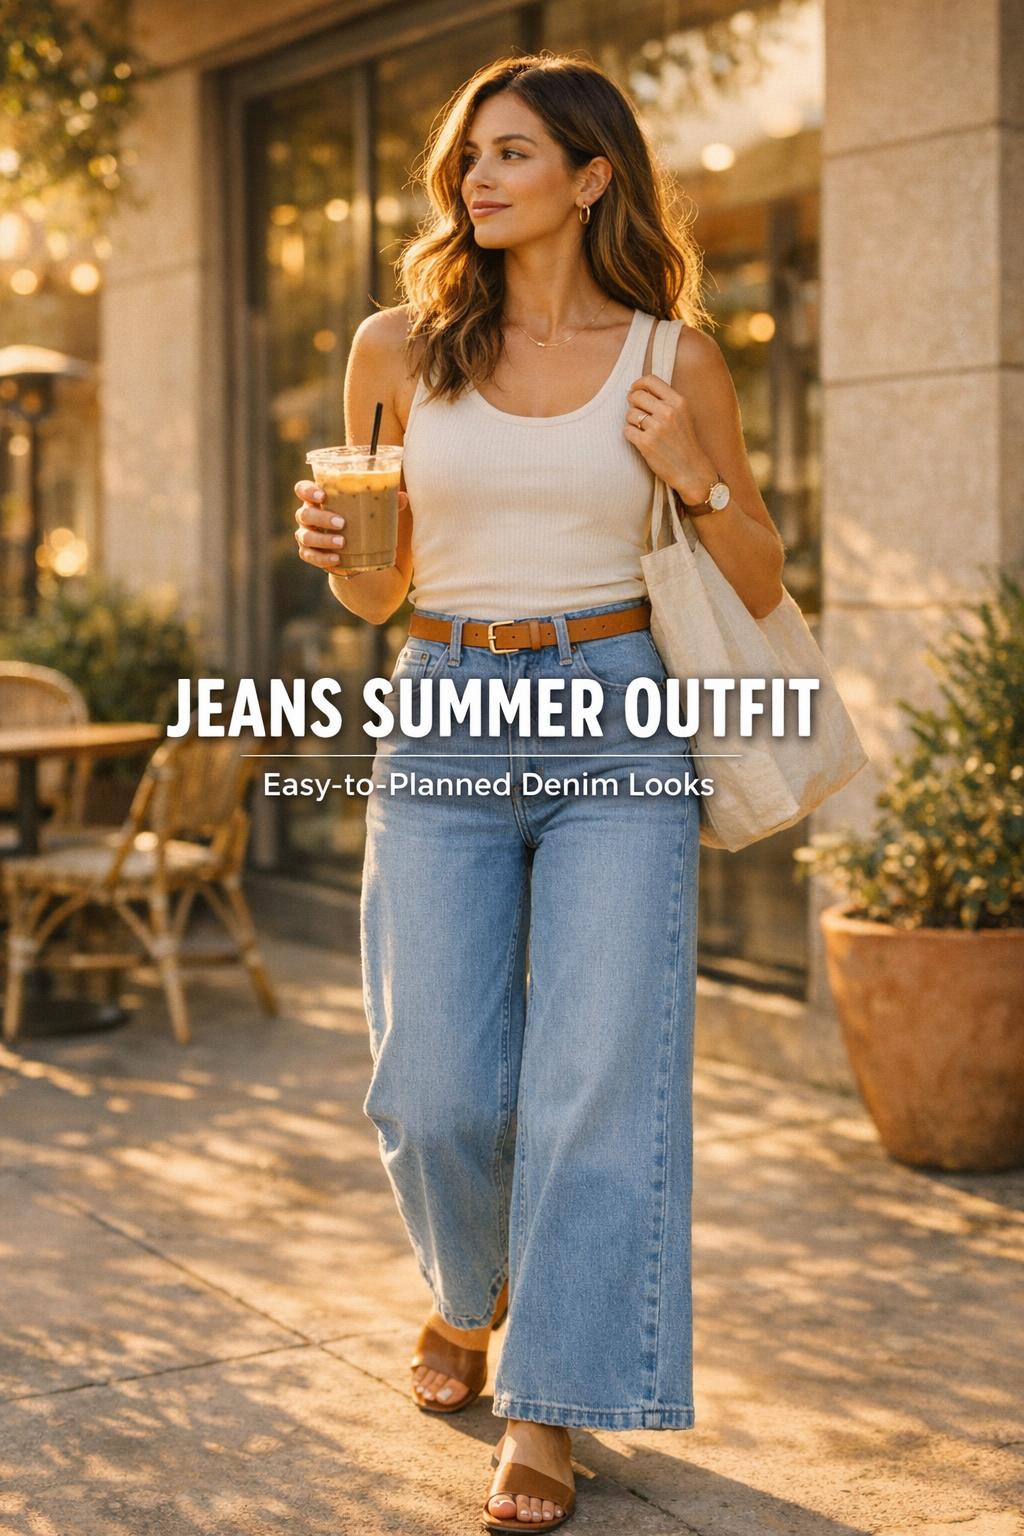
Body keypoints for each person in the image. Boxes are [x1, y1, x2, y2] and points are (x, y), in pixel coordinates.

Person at [293, 53, 784, 1533]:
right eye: (468, 158)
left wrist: (696, 472)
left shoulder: (673, 357)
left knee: (594, 1090)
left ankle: (551, 1406)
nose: (478, 179)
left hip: (619, 718)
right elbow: (381, 597)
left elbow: (758, 578)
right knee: (432, 1083)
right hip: (443, 701)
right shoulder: (397, 345)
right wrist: (342, 552)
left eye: (513, 155)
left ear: (591, 177)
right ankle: (468, 1291)